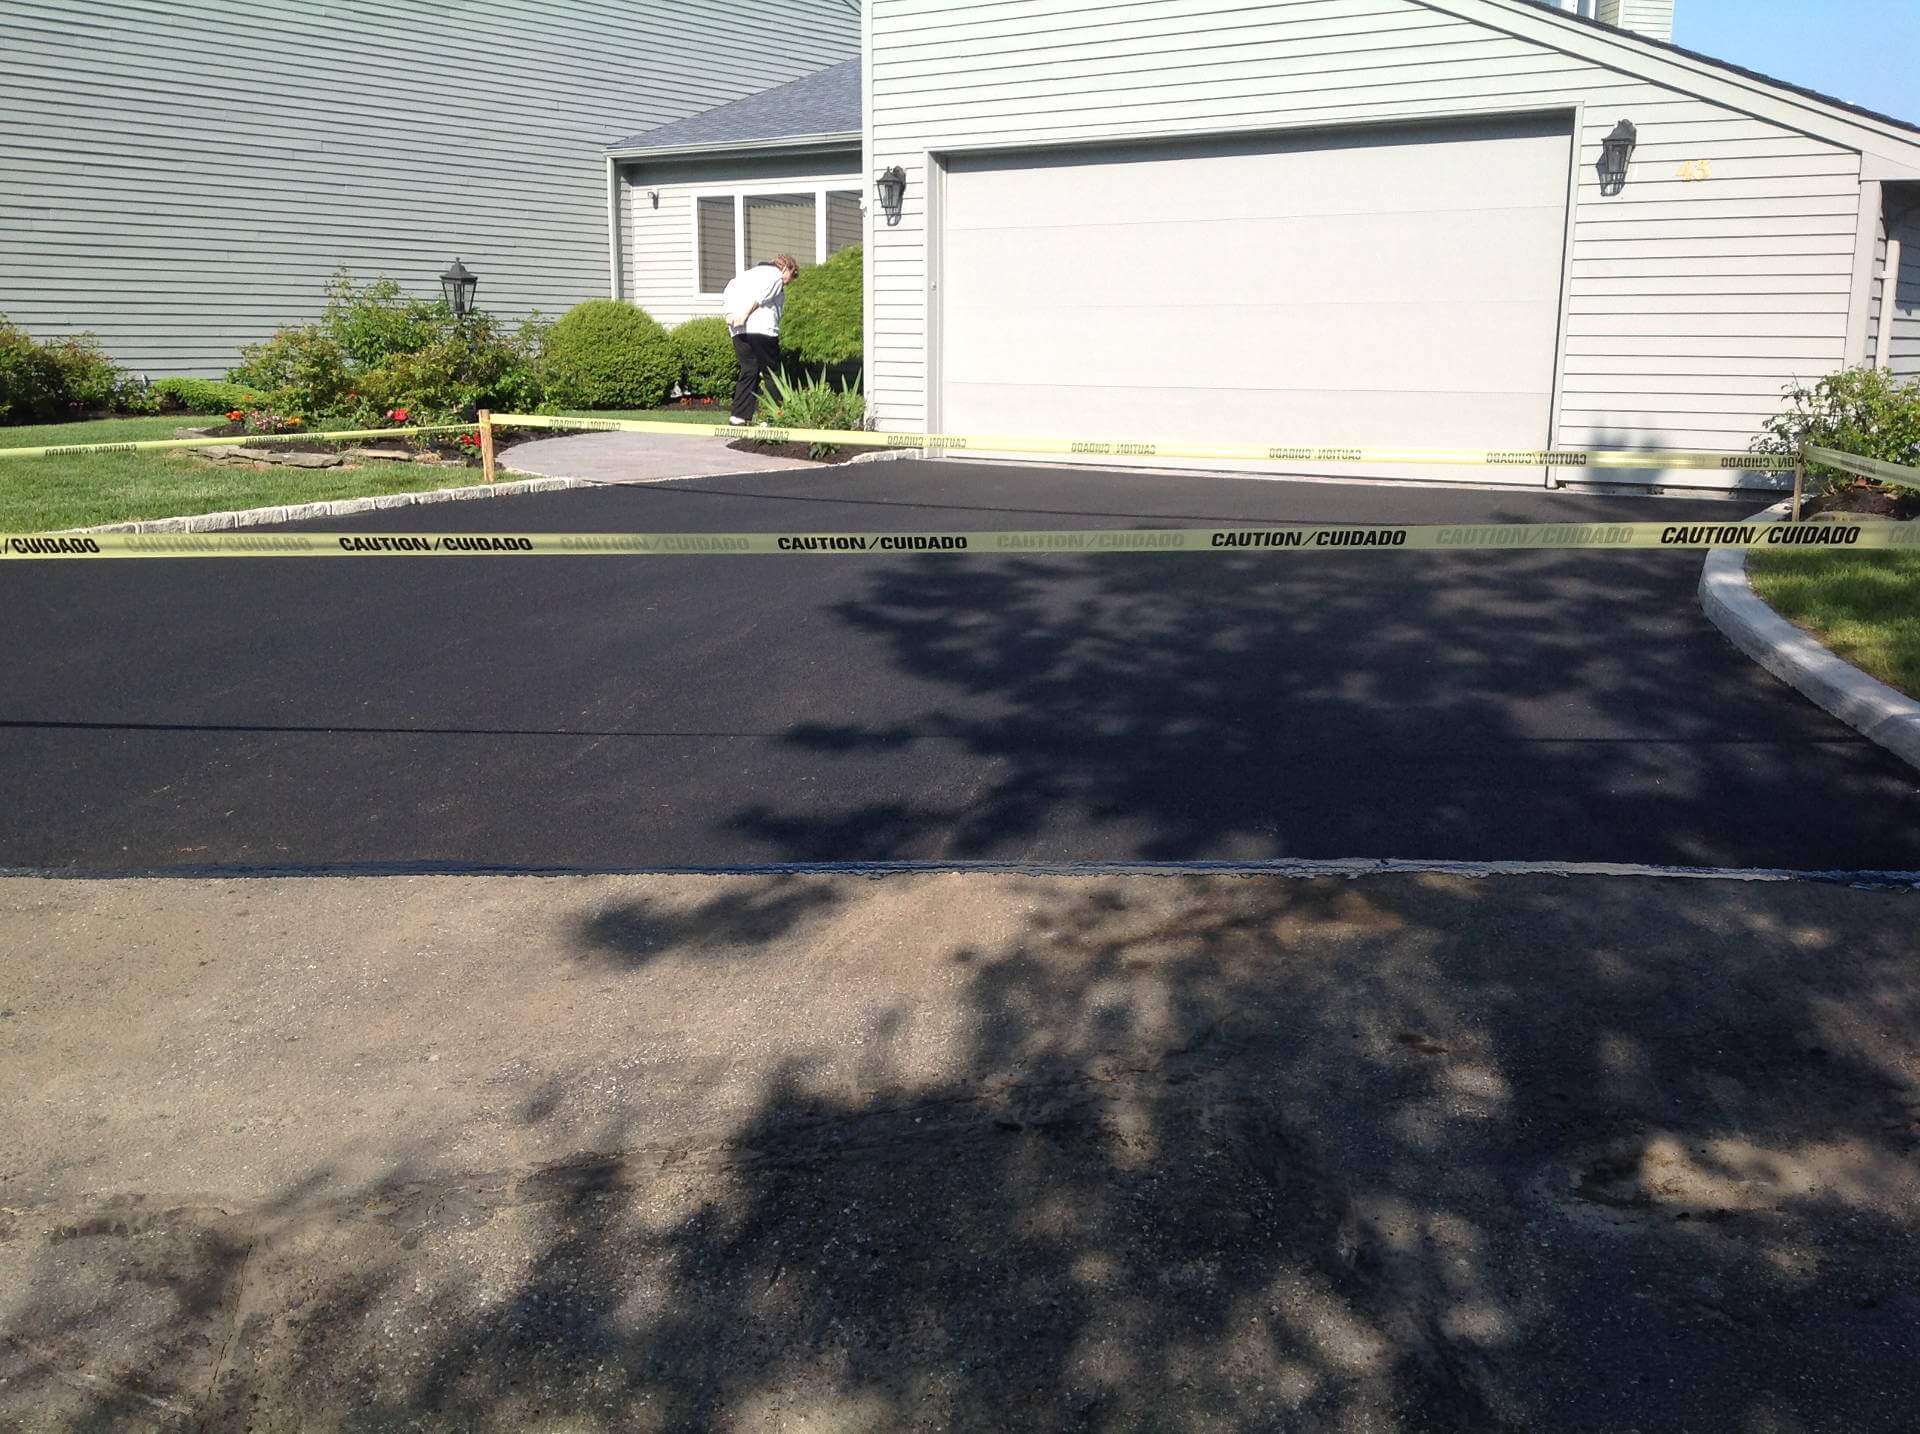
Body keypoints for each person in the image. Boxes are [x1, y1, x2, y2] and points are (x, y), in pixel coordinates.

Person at [722, 254, 799, 425]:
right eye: (792, 275)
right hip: (763, 329)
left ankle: (739, 417)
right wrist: (744, 314)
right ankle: (772, 417)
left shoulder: (746, 275)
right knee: (772, 372)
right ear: (786, 267)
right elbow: (761, 296)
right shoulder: (776, 276)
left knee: (749, 370)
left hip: (738, 331)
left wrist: (729, 315)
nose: (789, 281)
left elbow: (729, 289)